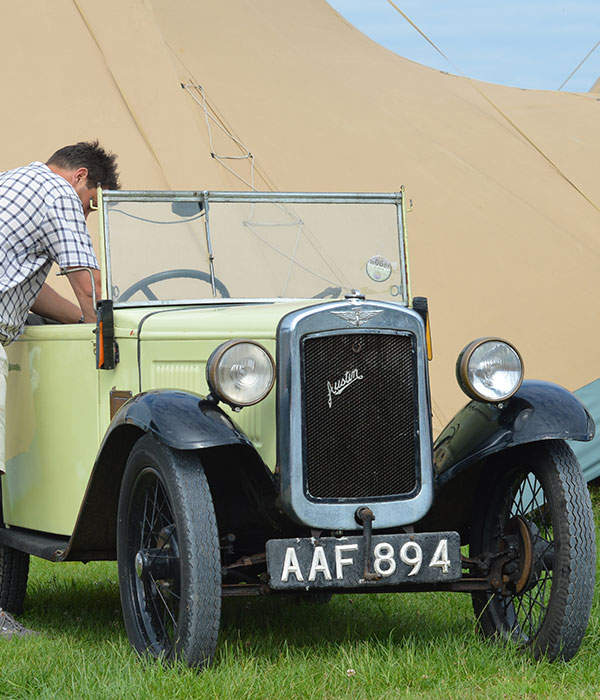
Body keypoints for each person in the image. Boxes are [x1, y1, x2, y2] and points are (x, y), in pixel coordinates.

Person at [0, 140, 120, 639]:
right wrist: (105, 331)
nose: (88, 215)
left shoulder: (16, 183)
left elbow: (27, 285)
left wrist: (79, 320)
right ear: (82, 178)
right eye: (93, 203)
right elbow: (86, 282)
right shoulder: (59, 195)